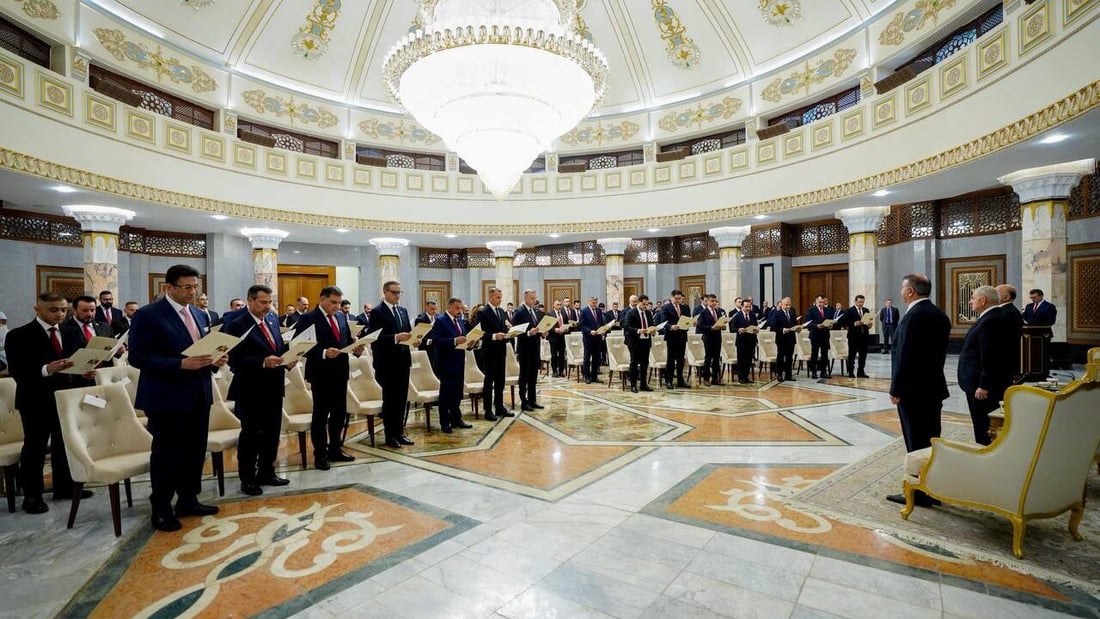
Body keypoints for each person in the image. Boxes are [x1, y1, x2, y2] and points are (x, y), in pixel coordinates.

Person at [128, 264, 224, 531]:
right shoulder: (149, 315)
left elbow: (200, 352)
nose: (192, 292)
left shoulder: (199, 314)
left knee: (195, 451)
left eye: (195, 287)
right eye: (187, 287)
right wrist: (181, 365)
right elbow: (138, 356)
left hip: (198, 393)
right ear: (168, 287)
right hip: (166, 396)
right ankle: (160, 507)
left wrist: (214, 360)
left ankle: (188, 499)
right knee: (168, 454)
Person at [6, 292, 89, 514]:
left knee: (64, 444)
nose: (60, 314)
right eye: (54, 310)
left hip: (65, 398)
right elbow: (17, 371)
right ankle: (32, 495)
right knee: (36, 447)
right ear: (37, 309)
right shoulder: (19, 335)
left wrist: (85, 372)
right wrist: (47, 369)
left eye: (63, 310)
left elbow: (76, 362)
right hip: (35, 399)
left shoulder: (71, 332)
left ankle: (64, 487)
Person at [886, 273, 950, 508]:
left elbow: (904, 356)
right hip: (933, 388)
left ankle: (920, 493)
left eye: (903, 288)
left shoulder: (912, 317)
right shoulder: (939, 315)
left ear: (911, 291)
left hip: (913, 391)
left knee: (916, 443)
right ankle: (933, 487)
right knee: (932, 439)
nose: (901, 291)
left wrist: (896, 388)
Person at [223, 285, 292, 495]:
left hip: (274, 384)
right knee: (251, 434)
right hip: (250, 387)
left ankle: (267, 472)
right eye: (263, 302)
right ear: (250, 301)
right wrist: (262, 362)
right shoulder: (236, 324)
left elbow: (277, 347)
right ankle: (248, 478)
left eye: (269, 302)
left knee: (272, 432)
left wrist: (287, 359)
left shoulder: (271, 319)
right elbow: (233, 358)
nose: (267, 307)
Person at [294, 286, 358, 467]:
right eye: (333, 302)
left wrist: (355, 347)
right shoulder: (308, 318)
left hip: (340, 371)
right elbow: (300, 346)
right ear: (322, 299)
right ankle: (320, 454)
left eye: (339, 303)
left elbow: (343, 341)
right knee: (321, 416)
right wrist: (323, 352)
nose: (337, 306)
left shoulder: (340, 316)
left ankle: (335, 449)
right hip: (321, 373)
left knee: (339, 413)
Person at [957, 286, 1016, 445]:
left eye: (973, 298)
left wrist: (984, 385)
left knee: (983, 425)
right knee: (982, 424)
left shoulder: (991, 320)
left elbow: (990, 356)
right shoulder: (992, 317)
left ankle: (985, 455)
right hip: (980, 383)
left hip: (982, 387)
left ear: (983, 300)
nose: (970, 301)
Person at [369, 281, 415, 447]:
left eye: (399, 293)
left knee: (402, 398)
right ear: (385, 292)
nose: (397, 296)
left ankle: (400, 432)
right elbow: (374, 339)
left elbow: (408, 333)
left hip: (403, 360)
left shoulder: (402, 311)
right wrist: (395, 337)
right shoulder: (377, 312)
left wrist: (414, 340)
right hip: (387, 362)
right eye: (394, 292)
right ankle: (390, 435)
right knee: (390, 400)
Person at [429, 298, 474, 433]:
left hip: (459, 360)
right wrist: (454, 340)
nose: (459, 311)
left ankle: (456, 418)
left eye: (460, 308)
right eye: (456, 308)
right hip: (445, 362)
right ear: (449, 307)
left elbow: (463, 338)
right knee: (446, 393)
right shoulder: (441, 320)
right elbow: (436, 341)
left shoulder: (460, 320)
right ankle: (445, 422)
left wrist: (470, 344)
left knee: (457, 392)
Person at [60, 295, 113, 387]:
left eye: (92, 310)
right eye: (84, 310)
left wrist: (119, 349)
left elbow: (111, 348)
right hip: (77, 383)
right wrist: (80, 372)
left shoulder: (105, 327)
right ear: (74, 310)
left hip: (104, 378)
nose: (89, 314)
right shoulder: (63, 329)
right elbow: (63, 357)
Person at [476, 287, 512, 420]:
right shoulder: (483, 312)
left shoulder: (502, 312)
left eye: (501, 297)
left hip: (501, 350)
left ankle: (499, 406)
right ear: (490, 297)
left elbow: (503, 328)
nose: (500, 299)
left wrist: (509, 333)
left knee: (500, 380)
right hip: (489, 350)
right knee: (489, 381)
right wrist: (493, 336)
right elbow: (480, 333)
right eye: (498, 297)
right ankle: (488, 409)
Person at [512, 289, 545, 411]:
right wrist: (529, 333)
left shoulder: (534, 311)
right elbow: (516, 332)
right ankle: (524, 402)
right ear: (525, 298)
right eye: (532, 298)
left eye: (535, 298)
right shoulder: (519, 312)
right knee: (524, 376)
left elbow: (537, 328)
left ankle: (532, 400)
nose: (534, 300)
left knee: (533, 376)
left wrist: (542, 332)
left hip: (535, 348)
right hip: (525, 349)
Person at [660, 289, 692, 389]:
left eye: (680, 299)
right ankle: (668, 380)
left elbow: (687, 320)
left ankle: (680, 380)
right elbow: (663, 322)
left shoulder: (685, 307)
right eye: (676, 298)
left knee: (681, 359)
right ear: (672, 297)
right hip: (671, 336)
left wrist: (691, 322)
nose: (678, 300)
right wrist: (671, 326)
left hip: (682, 335)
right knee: (671, 359)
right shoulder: (666, 307)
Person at [622, 294, 654, 392]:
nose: (645, 306)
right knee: (634, 363)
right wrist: (638, 330)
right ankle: (633, 385)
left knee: (645, 363)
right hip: (634, 341)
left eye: (647, 304)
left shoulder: (648, 313)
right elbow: (626, 326)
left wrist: (653, 330)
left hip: (646, 340)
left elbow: (652, 324)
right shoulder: (631, 313)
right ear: (639, 303)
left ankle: (643, 384)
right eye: (644, 304)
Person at [995, 284, 1024, 380]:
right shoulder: (1005, 311)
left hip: (1004, 361)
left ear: (1006, 297)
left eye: (996, 293)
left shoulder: (1007, 312)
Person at [695, 294, 724, 385]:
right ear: (707, 301)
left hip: (717, 337)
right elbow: (700, 326)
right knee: (708, 358)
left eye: (715, 301)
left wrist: (722, 326)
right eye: (712, 301)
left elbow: (720, 322)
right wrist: (711, 327)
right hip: (708, 337)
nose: (714, 303)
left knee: (716, 358)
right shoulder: (703, 313)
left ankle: (715, 379)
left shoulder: (718, 312)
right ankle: (706, 378)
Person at [769, 297, 799, 382]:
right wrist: (782, 330)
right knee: (781, 357)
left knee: (789, 358)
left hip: (791, 338)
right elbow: (773, 327)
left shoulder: (792, 313)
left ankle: (788, 375)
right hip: (781, 338)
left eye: (789, 305)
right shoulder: (777, 314)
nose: (788, 307)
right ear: (781, 304)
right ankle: (779, 375)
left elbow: (795, 324)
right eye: (786, 305)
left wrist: (797, 328)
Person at [840, 295, 871, 378]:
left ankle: (861, 371)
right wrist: (854, 323)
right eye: (859, 302)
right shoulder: (849, 311)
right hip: (853, 336)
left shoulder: (866, 310)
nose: (861, 304)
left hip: (864, 335)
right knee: (852, 354)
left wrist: (869, 324)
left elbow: (867, 321)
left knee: (863, 354)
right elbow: (844, 322)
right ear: (855, 301)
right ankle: (850, 371)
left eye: (862, 302)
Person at [579, 296, 606, 383]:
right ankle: (587, 376)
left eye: (596, 302)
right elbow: (582, 325)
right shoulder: (584, 311)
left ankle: (594, 376)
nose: (595, 304)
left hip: (597, 338)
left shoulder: (598, 311)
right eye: (593, 303)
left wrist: (603, 330)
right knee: (587, 358)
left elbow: (601, 323)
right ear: (589, 302)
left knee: (596, 358)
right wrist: (590, 331)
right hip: (588, 338)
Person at [731, 298, 758, 384]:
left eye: (749, 307)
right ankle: (741, 377)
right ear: (742, 306)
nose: (748, 309)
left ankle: (746, 377)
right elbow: (732, 328)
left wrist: (756, 330)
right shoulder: (737, 315)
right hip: (741, 341)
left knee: (749, 360)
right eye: (746, 307)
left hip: (751, 340)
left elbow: (756, 325)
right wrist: (739, 329)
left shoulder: (753, 315)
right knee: (741, 360)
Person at [806, 295, 833, 379]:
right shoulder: (811, 310)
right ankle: (814, 372)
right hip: (815, 334)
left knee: (824, 354)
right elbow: (808, 323)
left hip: (825, 334)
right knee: (814, 353)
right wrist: (817, 326)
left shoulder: (827, 310)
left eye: (823, 302)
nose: (821, 304)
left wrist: (830, 325)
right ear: (816, 302)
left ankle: (823, 371)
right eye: (820, 302)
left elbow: (830, 320)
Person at [547, 299, 568, 377]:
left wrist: (566, 328)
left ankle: (561, 371)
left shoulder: (563, 313)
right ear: (553, 305)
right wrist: (555, 330)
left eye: (560, 305)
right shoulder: (549, 314)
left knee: (562, 355)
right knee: (554, 355)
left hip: (562, 337)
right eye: (557, 305)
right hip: (553, 337)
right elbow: (547, 326)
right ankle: (555, 371)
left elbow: (566, 323)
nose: (559, 306)